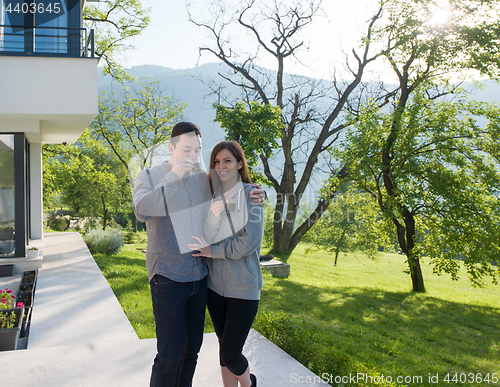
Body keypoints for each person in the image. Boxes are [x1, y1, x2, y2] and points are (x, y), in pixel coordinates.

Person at [132, 123, 265, 387]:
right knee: (169, 356)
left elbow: (234, 186)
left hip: (200, 277)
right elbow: (141, 211)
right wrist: (174, 175)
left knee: (191, 352)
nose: (193, 156)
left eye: (197, 150)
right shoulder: (149, 175)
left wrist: (259, 192)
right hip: (167, 277)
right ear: (171, 148)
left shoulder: (203, 178)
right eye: (186, 149)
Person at [188, 140, 264, 387]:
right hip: (215, 288)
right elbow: (208, 234)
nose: (221, 166)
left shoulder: (251, 194)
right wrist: (214, 215)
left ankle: (249, 383)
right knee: (224, 349)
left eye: (228, 160)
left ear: (240, 164)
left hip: (243, 288)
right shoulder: (213, 197)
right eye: (217, 162)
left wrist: (213, 251)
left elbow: (249, 242)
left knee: (232, 353)